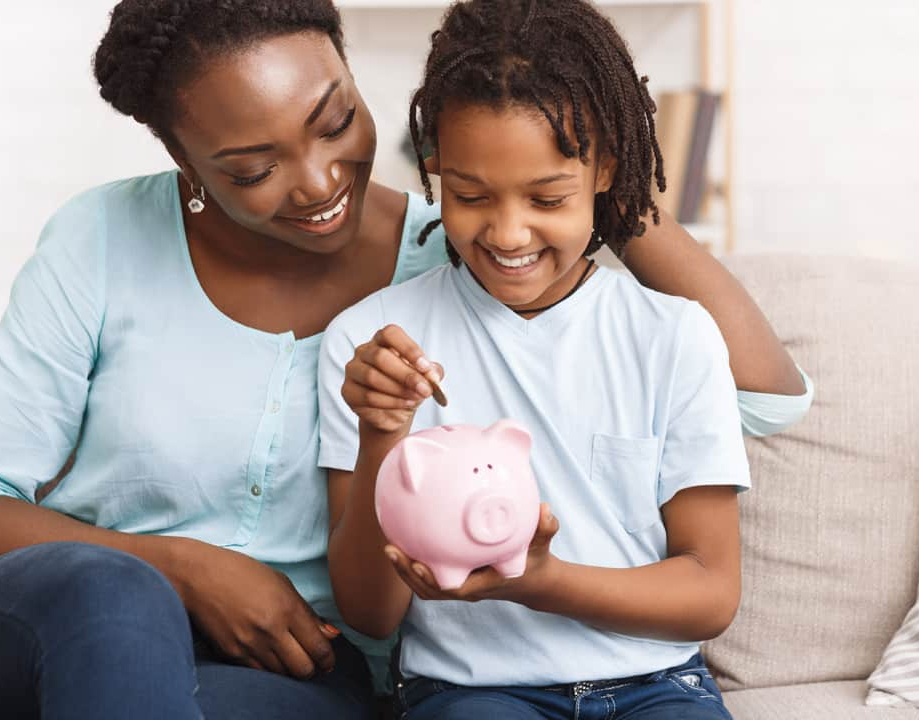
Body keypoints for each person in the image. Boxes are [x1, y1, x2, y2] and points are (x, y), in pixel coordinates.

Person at [0, 1, 808, 719]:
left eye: (335, 122)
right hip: (47, 630)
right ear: (183, 159)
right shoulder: (101, 239)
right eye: (252, 169)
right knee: (115, 594)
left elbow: (759, 398)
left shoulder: (455, 250)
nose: (322, 180)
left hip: (283, 674)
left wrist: (591, 148)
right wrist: (179, 566)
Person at [320, 1, 811, 719]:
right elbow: (370, 613)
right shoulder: (376, 341)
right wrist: (380, 435)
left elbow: (710, 594)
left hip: (657, 688)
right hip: (473, 691)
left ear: (606, 170)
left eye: (548, 197)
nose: (508, 231)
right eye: (469, 195)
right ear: (434, 173)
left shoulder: (673, 335)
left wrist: (540, 580)